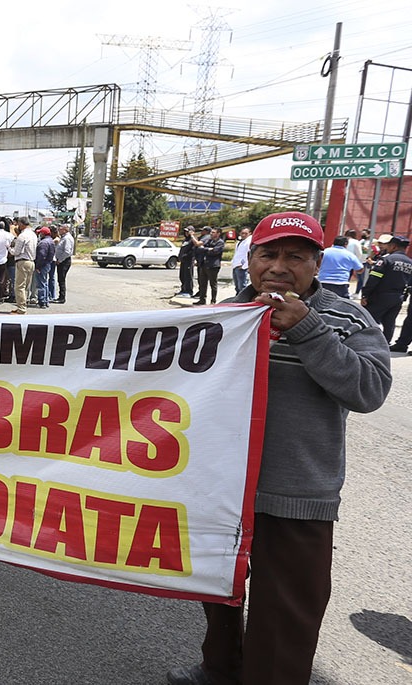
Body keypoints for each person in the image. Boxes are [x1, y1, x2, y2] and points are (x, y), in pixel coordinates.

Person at [167, 211, 392, 685]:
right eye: (269, 253)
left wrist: (308, 329)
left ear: (317, 265)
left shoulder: (348, 319)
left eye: (296, 256)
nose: (279, 266)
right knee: (218, 590)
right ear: (250, 259)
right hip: (220, 489)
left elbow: (369, 391)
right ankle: (221, 670)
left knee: (288, 608)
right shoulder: (224, 316)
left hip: (297, 492)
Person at [361, 234, 412, 341]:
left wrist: (365, 294)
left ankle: (366, 342)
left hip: (380, 296)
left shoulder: (386, 260)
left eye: (389, 245)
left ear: (394, 246)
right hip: (398, 297)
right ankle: (385, 343)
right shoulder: (410, 263)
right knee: (389, 322)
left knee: (369, 319)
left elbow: (374, 278)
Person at [9, 218, 37, 314]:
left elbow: (16, 252)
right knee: (26, 286)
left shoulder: (22, 236)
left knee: (19, 286)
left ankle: (21, 307)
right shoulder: (33, 235)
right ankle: (23, 305)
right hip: (31, 261)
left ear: (21, 224)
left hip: (22, 261)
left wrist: (9, 248)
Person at [193, 227, 225, 305]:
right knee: (202, 283)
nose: (211, 233)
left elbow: (214, 252)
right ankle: (202, 299)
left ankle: (213, 300)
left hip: (213, 266)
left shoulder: (220, 242)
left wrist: (205, 249)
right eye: (211, 232)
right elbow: (198, 249)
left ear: (218, 234)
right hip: (204, 264)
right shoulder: (208, 240)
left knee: (213, 284)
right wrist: (207, 249)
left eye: (213, 232)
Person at [34, 227, 55, 309]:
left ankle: (42, 301)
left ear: (43, 233)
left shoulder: (43, 243)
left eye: (40, 233)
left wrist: (38, 266)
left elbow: (41, 256)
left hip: (42, 265)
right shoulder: (51, 241)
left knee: (41, 284)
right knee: (45, 283)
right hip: (47, 264)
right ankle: (46, 300)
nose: (39, 234)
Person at [53, 224, 74, 304]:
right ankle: (60, 297)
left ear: (65, 230)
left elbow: (67, 252)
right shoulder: (63, 237)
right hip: (61, 261)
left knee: (61, 279)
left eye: (60, 229)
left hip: (64, 261)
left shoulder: (67, 238)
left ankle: (62, 298)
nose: (59, 230)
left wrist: (60, 260)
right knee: (60, 279)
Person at [177, 226, 198, 297]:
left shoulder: (192, 240)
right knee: (182, 276)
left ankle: (189, 291)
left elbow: (193, 250)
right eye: (185, 231)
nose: (186, 233)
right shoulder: (185, 240)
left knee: (188, 276)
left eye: (188, 231)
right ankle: (183, 289)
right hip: (183, 261)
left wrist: (186, 255)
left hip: (189, 260)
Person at [228, 227, 251, 295]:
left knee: (242, 286)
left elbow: (250, 254)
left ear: (249, 233)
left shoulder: (249, 242)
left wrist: (245, 265)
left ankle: (243, 302)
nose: (243, 235)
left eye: (246, 233)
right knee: (237, 286)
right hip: (236, 265)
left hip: (242, 267)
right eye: (242, 233)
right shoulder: (240, 241)